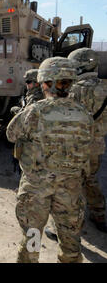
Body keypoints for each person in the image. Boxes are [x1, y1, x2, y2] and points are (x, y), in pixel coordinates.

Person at [7, 57, 94, 263]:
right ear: (70, 83)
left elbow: (11, 134)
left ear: (45, 83)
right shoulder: (84, 114)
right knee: (70, 239)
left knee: (33, 236)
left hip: (36, 188)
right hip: (70, 189)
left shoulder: (35, 111)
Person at [44, 48, 107, 241]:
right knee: (91, 180)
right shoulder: (104, 86)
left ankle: (62, 226)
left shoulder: (74, 89)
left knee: (67, 184)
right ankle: (100, 215)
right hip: (96, 145)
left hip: (73, 146)